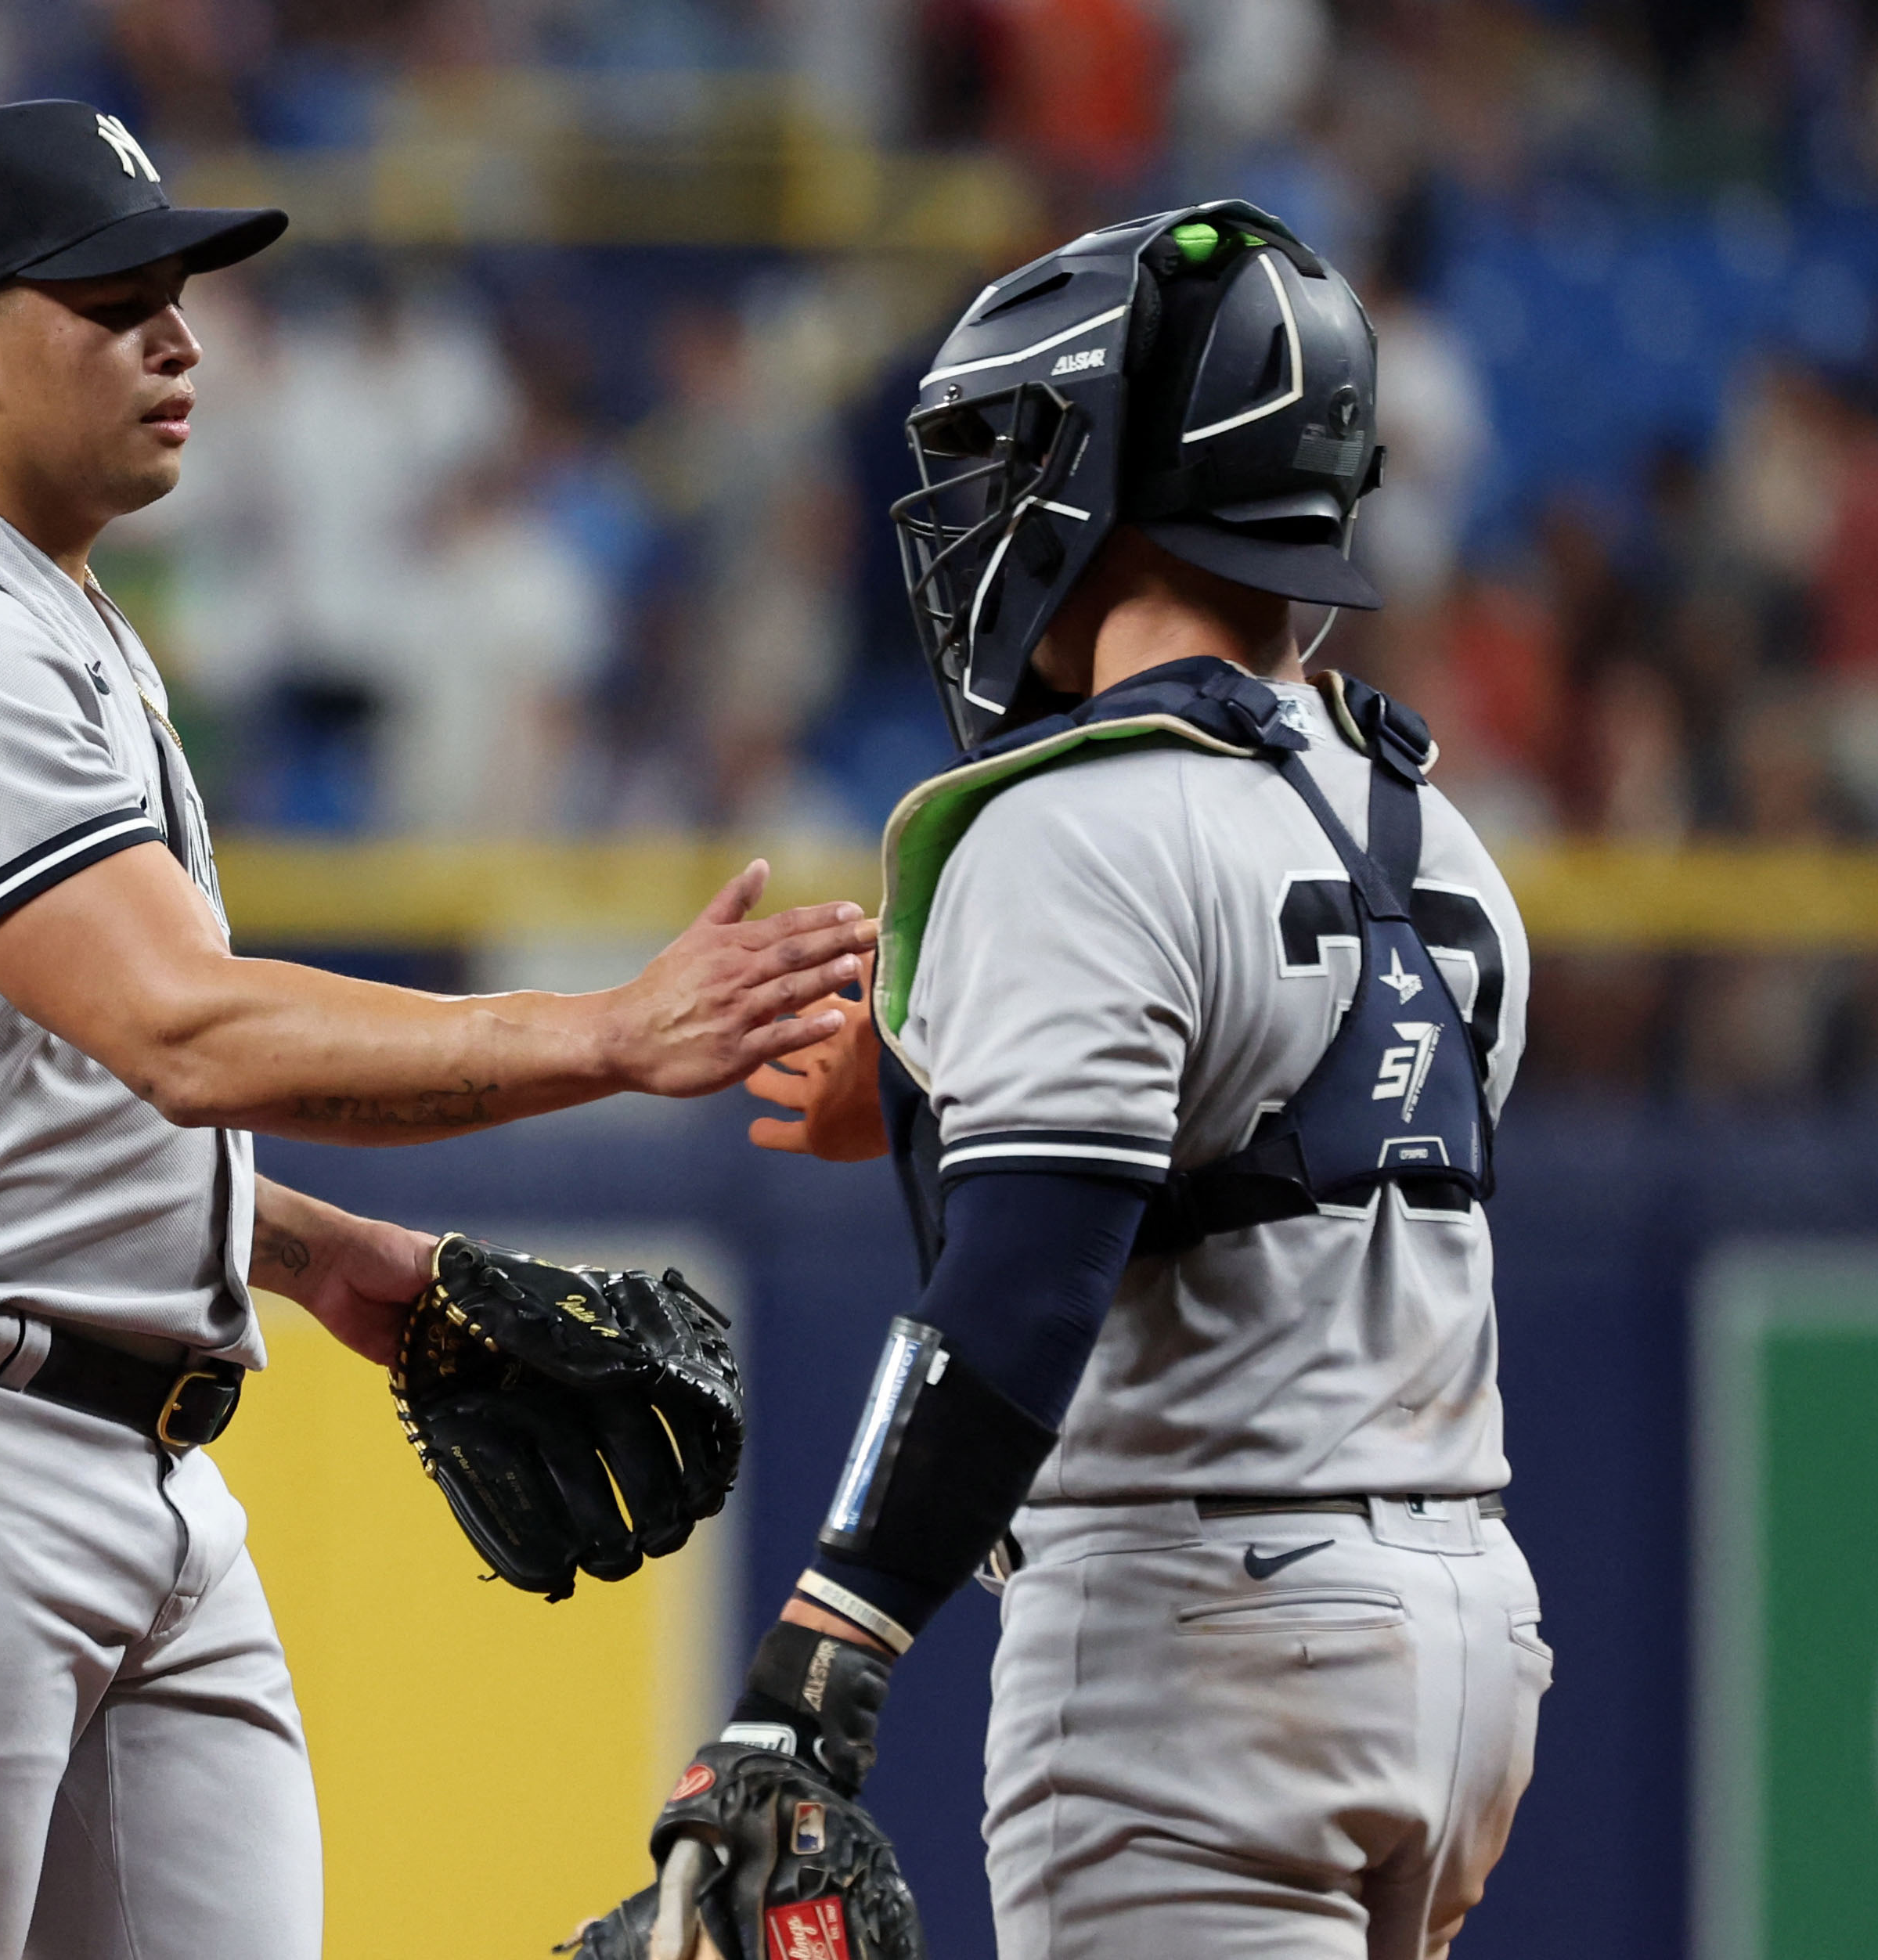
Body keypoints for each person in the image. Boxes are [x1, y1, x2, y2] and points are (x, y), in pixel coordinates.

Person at [0, 99, 877, 1960]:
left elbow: (42, 1094)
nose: (178, 338)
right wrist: (611, 1034)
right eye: (113, 296)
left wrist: (314, 1248)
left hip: (131, 1455)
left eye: (178, 291)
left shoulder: (60, 624)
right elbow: (183, 1031)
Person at [600, 203, 1544, 1958]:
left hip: (1201, 1640)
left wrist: (813, 1665)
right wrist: (914, 1079)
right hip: (1466, 1636)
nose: (970, 507)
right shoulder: (1442, 835)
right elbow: (1257, 1151)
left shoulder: (1072, 826)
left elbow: (1025, 1287)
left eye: (1000, 451)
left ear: (1101, 471)